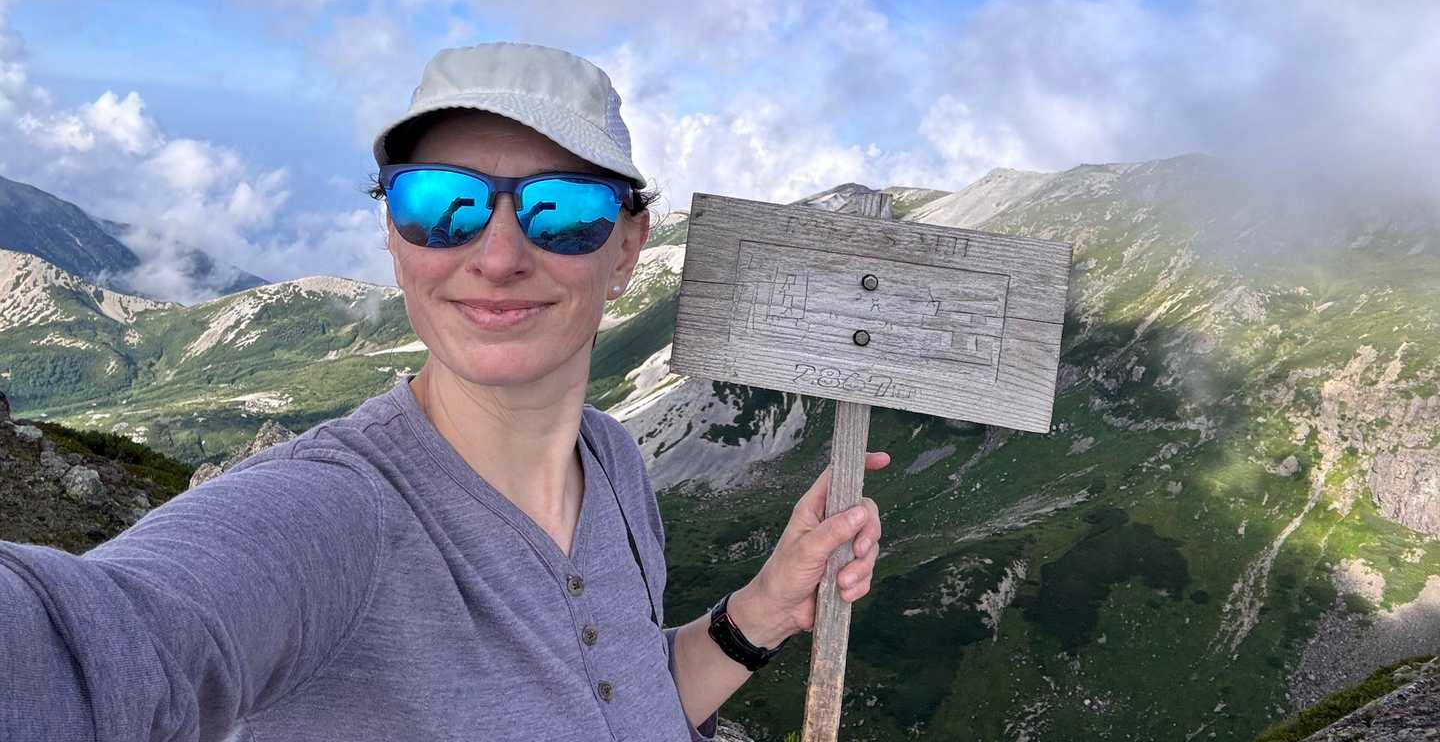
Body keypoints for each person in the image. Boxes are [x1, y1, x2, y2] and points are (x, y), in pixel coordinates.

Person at [0, 42, 888, 741]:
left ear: (626, 248)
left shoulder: (613, 458)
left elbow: (623, 700)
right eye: (441, 204)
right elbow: (96, 650)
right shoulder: (335, 513)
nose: (497, 256)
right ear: (394, 237)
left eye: (564, 211)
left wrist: (762, 612)